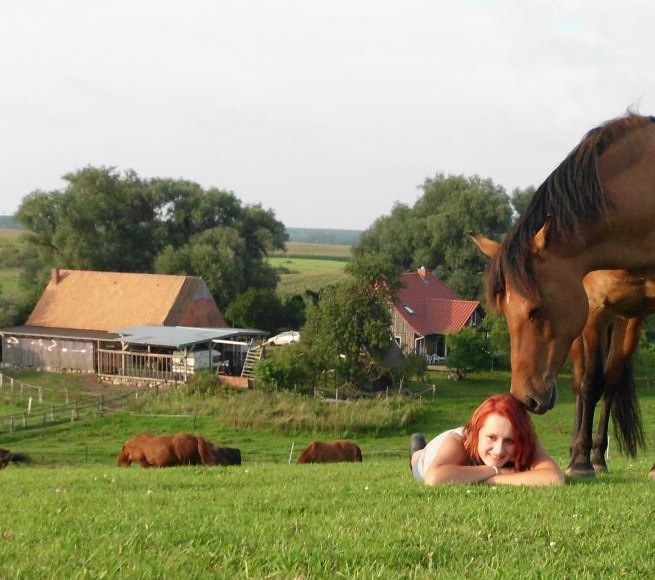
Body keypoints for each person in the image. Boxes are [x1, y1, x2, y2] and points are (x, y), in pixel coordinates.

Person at [409, 394, 564, 486]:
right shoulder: (459, 442)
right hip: (432, 453)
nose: (499, 450)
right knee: (417, 459)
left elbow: (554, 478)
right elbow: (434, 478)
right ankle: (417, 449)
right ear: (476, 432)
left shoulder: (524, 441)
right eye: (491, 438)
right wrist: (494, 470)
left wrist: (496, 479)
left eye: (510, 441)